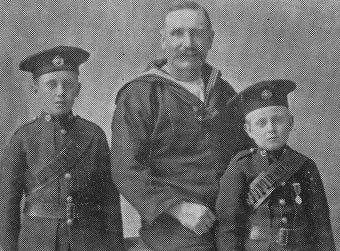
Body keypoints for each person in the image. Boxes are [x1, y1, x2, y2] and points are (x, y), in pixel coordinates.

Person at [110, 1, 249, 250]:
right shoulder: (141, 94)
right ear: (163, 40)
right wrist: (179, 208)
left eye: (196, 33)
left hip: (231, 230)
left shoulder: (225, 92)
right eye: (177, 33)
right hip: (173, 236)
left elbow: (246, 157)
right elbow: (126, 170)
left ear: (210, 39)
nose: (188, 43)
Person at [0, 45, 125, 251]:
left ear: (78, 89)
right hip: (37, 242)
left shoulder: (94, 134)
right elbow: (7, 204)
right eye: (51, 84)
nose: (60, 92)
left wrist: (115, 246)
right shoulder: (23, 138)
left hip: (89, 241)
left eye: (67, 85)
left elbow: (110, 200)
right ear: (35, 88)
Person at [216, 79, 336, 250]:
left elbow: (320, 225)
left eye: (278, 120)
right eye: (261, 123)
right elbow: (229, 228)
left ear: (291, 123)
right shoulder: (241, 167)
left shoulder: (305, 166)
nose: (270, 128)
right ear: (248, 130)